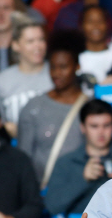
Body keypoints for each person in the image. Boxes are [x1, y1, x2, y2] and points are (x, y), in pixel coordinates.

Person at [18, 31, 87, 184]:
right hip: (43, 191)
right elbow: (23, 159)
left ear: (77, 66)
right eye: (53, 67)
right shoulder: (33, 107)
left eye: (63, 67)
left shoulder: (89, 107)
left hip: (81, 190)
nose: (56, 73)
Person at [45, 99, 112, 217]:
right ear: (82, 127)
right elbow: (52, 207)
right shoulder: (66, 162)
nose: (101, 132)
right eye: (94, 126)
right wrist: (83, 179)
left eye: (106, 125)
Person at [0, 14, 53, 137]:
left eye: (41, 39)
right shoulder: (1, 82)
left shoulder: (57, 74)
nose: (38, 46)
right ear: (16, 45)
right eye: (30, 41)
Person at [78, 5, 112, 83]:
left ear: (108, 25)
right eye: (90, 21)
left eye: (100, 21)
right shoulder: (75, 59)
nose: (95, 25)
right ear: (81, 26)